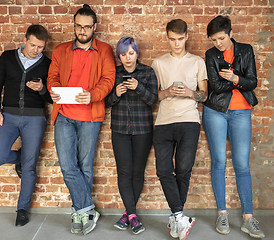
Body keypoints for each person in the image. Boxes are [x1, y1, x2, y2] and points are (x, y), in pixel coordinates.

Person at [47, 4, 115, 235]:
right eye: (79, 26)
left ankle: (79, 212)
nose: (83, 31)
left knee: (85, 166)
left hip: (90, 115)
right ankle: (88, 209)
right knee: (68, 165)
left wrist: (92, 95)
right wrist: (53, 89)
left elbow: (108, 79)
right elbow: (52, 76)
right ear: (74, 26)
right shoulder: (61, 50)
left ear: (95, 27)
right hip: (64, 114)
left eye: (87, 27)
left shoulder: (104, 50)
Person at [202, 15, 265, 238]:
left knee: (241, 164)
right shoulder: (210, 54)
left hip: (241, 113)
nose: (217, 43)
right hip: (215, 111)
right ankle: (222, 214)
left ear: (230, 33)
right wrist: (238, 81)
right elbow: (215, 87)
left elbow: (253, 81)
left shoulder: (246, 50)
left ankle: (248, 218)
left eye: (221, 38)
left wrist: (235, 78)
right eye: (213, 40)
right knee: (218, 161)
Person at [0, 24, 52, 226]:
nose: (36, 50)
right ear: (25, 40)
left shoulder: (48, 64)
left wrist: (42, 89)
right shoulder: (7, 58)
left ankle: (22, 209)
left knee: (30, 166)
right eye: (33, 45)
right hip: (8, 115)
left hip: (35, 118)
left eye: (40, 47)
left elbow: (52, 98)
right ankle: (19, 158)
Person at [151, 19, 208, 240]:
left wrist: (189, 93)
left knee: (183, 170)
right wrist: (166, 92)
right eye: (172, 40)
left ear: (186, 37)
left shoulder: (197, 62)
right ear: (167, 38)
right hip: (164, 122)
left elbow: (204, 95)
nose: (176, 44)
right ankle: (179, 217)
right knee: (163, 171)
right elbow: (152, 96)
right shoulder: (158, 63)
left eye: (180, 39)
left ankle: (177, 217)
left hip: (189, 121)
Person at [105, 36, 158, 235]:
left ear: (136, 53)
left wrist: (139, 87)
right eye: (123, 54)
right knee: (124, 172)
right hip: (119, 130)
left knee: (137, 172)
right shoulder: (113, 74)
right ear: (119, 56)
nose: (127, 58)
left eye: (131, 53)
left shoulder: (147, 72)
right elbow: (104, 103)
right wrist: (115, 94)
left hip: (143, 130)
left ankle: (128, 214)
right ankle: (133, 216)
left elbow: (153, 99)